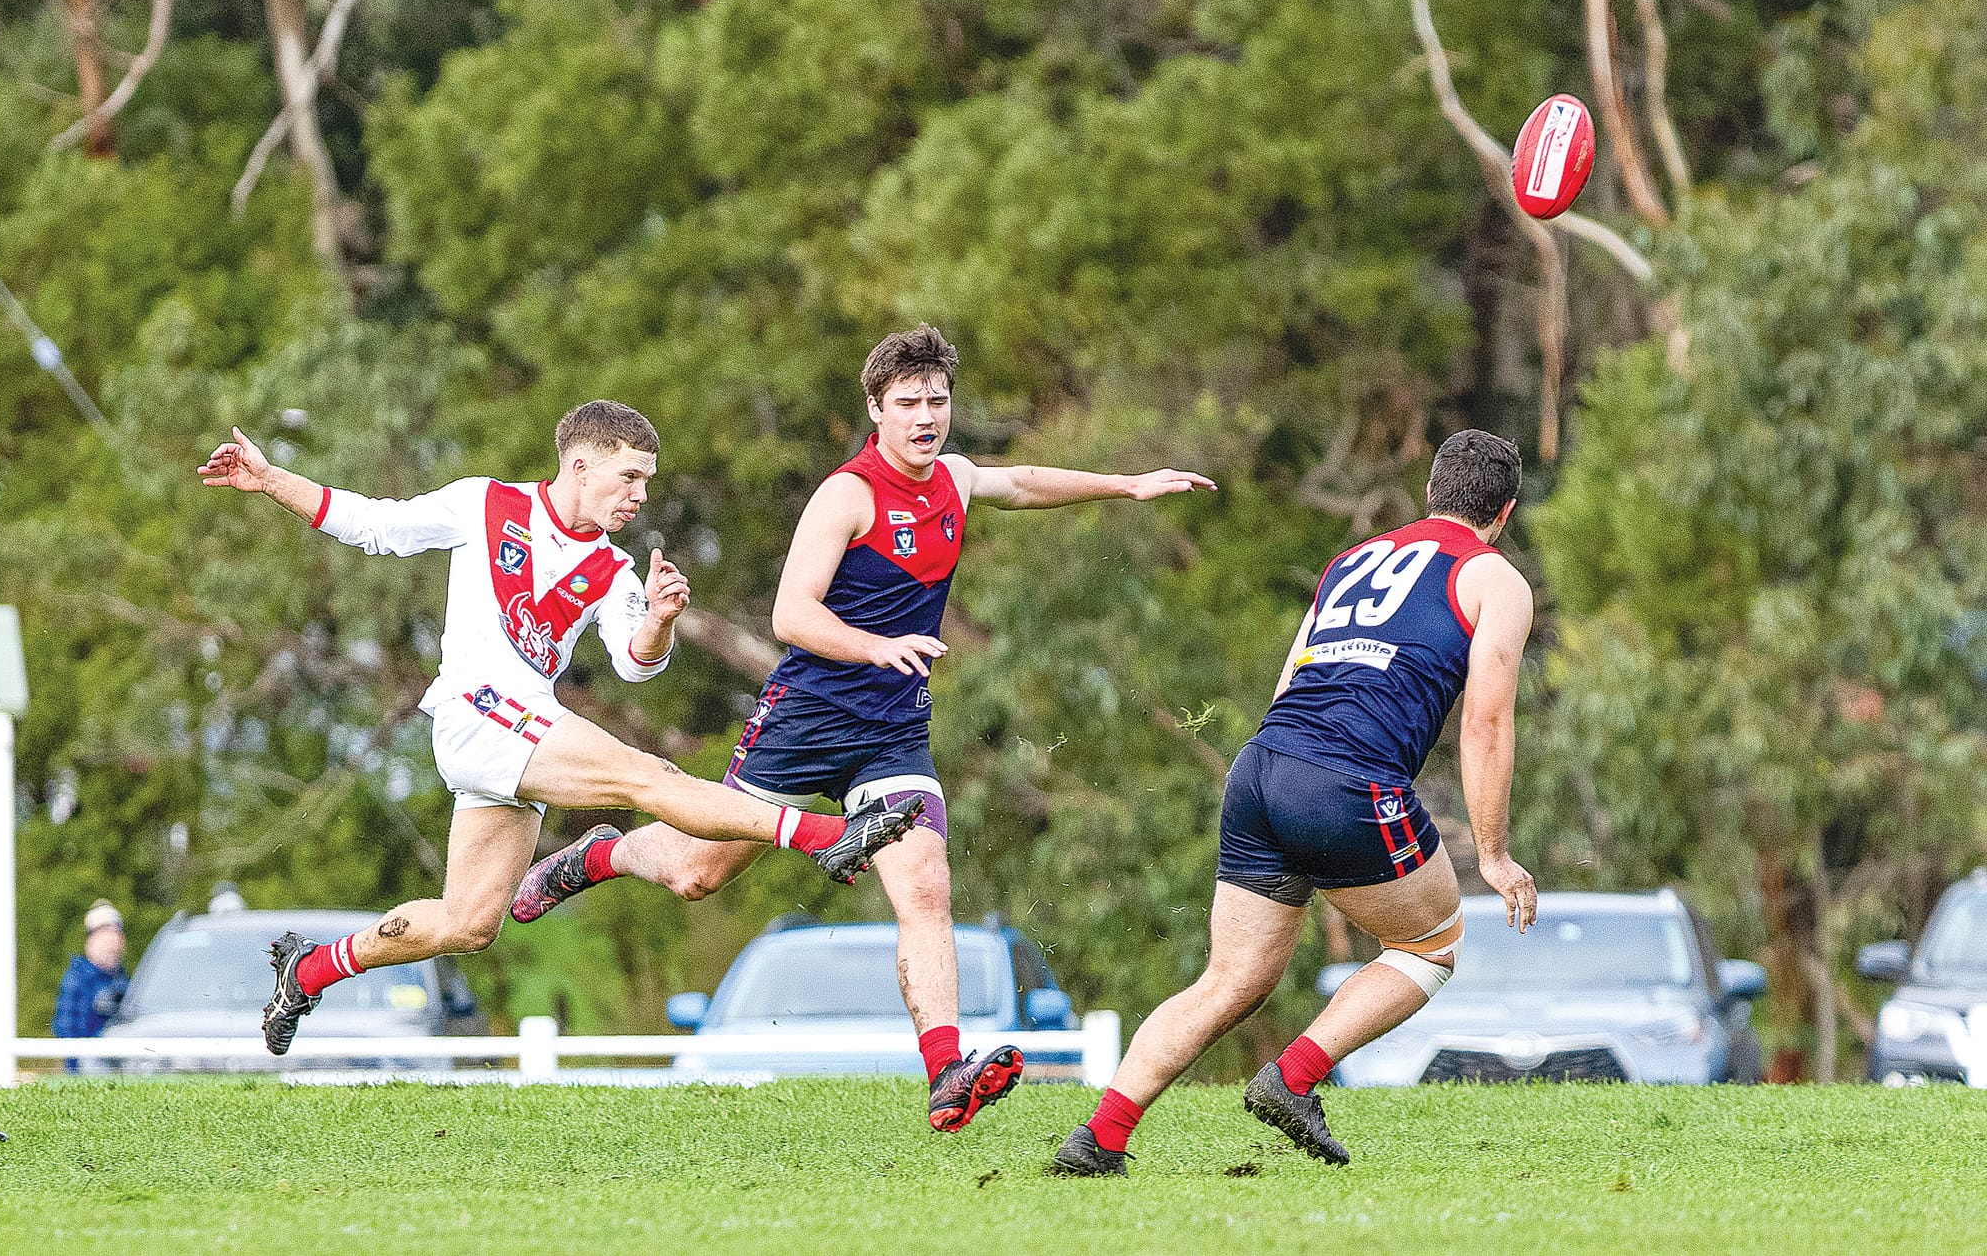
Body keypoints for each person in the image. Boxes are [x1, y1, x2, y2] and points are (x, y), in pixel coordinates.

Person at [512, 326, 1215, 1131]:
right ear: (876, 407)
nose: (926, 416)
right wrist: (878, 646)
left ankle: (946, 1072)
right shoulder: (848, 494)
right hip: (806, 720)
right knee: (696, 875)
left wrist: (1127, 485)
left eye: (938, 401)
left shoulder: (950, 477)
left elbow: (1018, 481)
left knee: (924, 884)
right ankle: (601, 851)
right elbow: (790, 613)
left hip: (892, 736)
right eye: (908, 402)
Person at [197, 401, 920, 1057]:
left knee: (467, 923)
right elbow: (374, 526)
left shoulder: (612, 568)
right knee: (649, 777)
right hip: (479, 710)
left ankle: (310, 968)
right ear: (580, 465)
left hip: (517, 736)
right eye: (630, 476)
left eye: (647, 480)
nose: (640, 495)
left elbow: (636, 664)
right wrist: (271, 478)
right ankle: (824, 837)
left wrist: (661, 622)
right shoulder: (485, 503)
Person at [1053, 428, 1539, 1175]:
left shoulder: (1348, 561)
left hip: (1261, 766)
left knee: (1230, 978)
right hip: (1350, 779)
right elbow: (1486, 721)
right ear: (1502, 511)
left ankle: (1099, 1137)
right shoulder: (1493, 577)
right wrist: (1496, 854)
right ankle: (1294, 1077)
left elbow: (1289, 684)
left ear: (1431, 493)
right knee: (1430, 944)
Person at [53, 899, 131, 1071]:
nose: (113, 940)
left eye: (116, 933)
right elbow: (67, 1029)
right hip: (88, 1069)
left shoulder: (124, 981)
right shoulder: (77, 980)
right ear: (90, 941)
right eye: (105, 933)